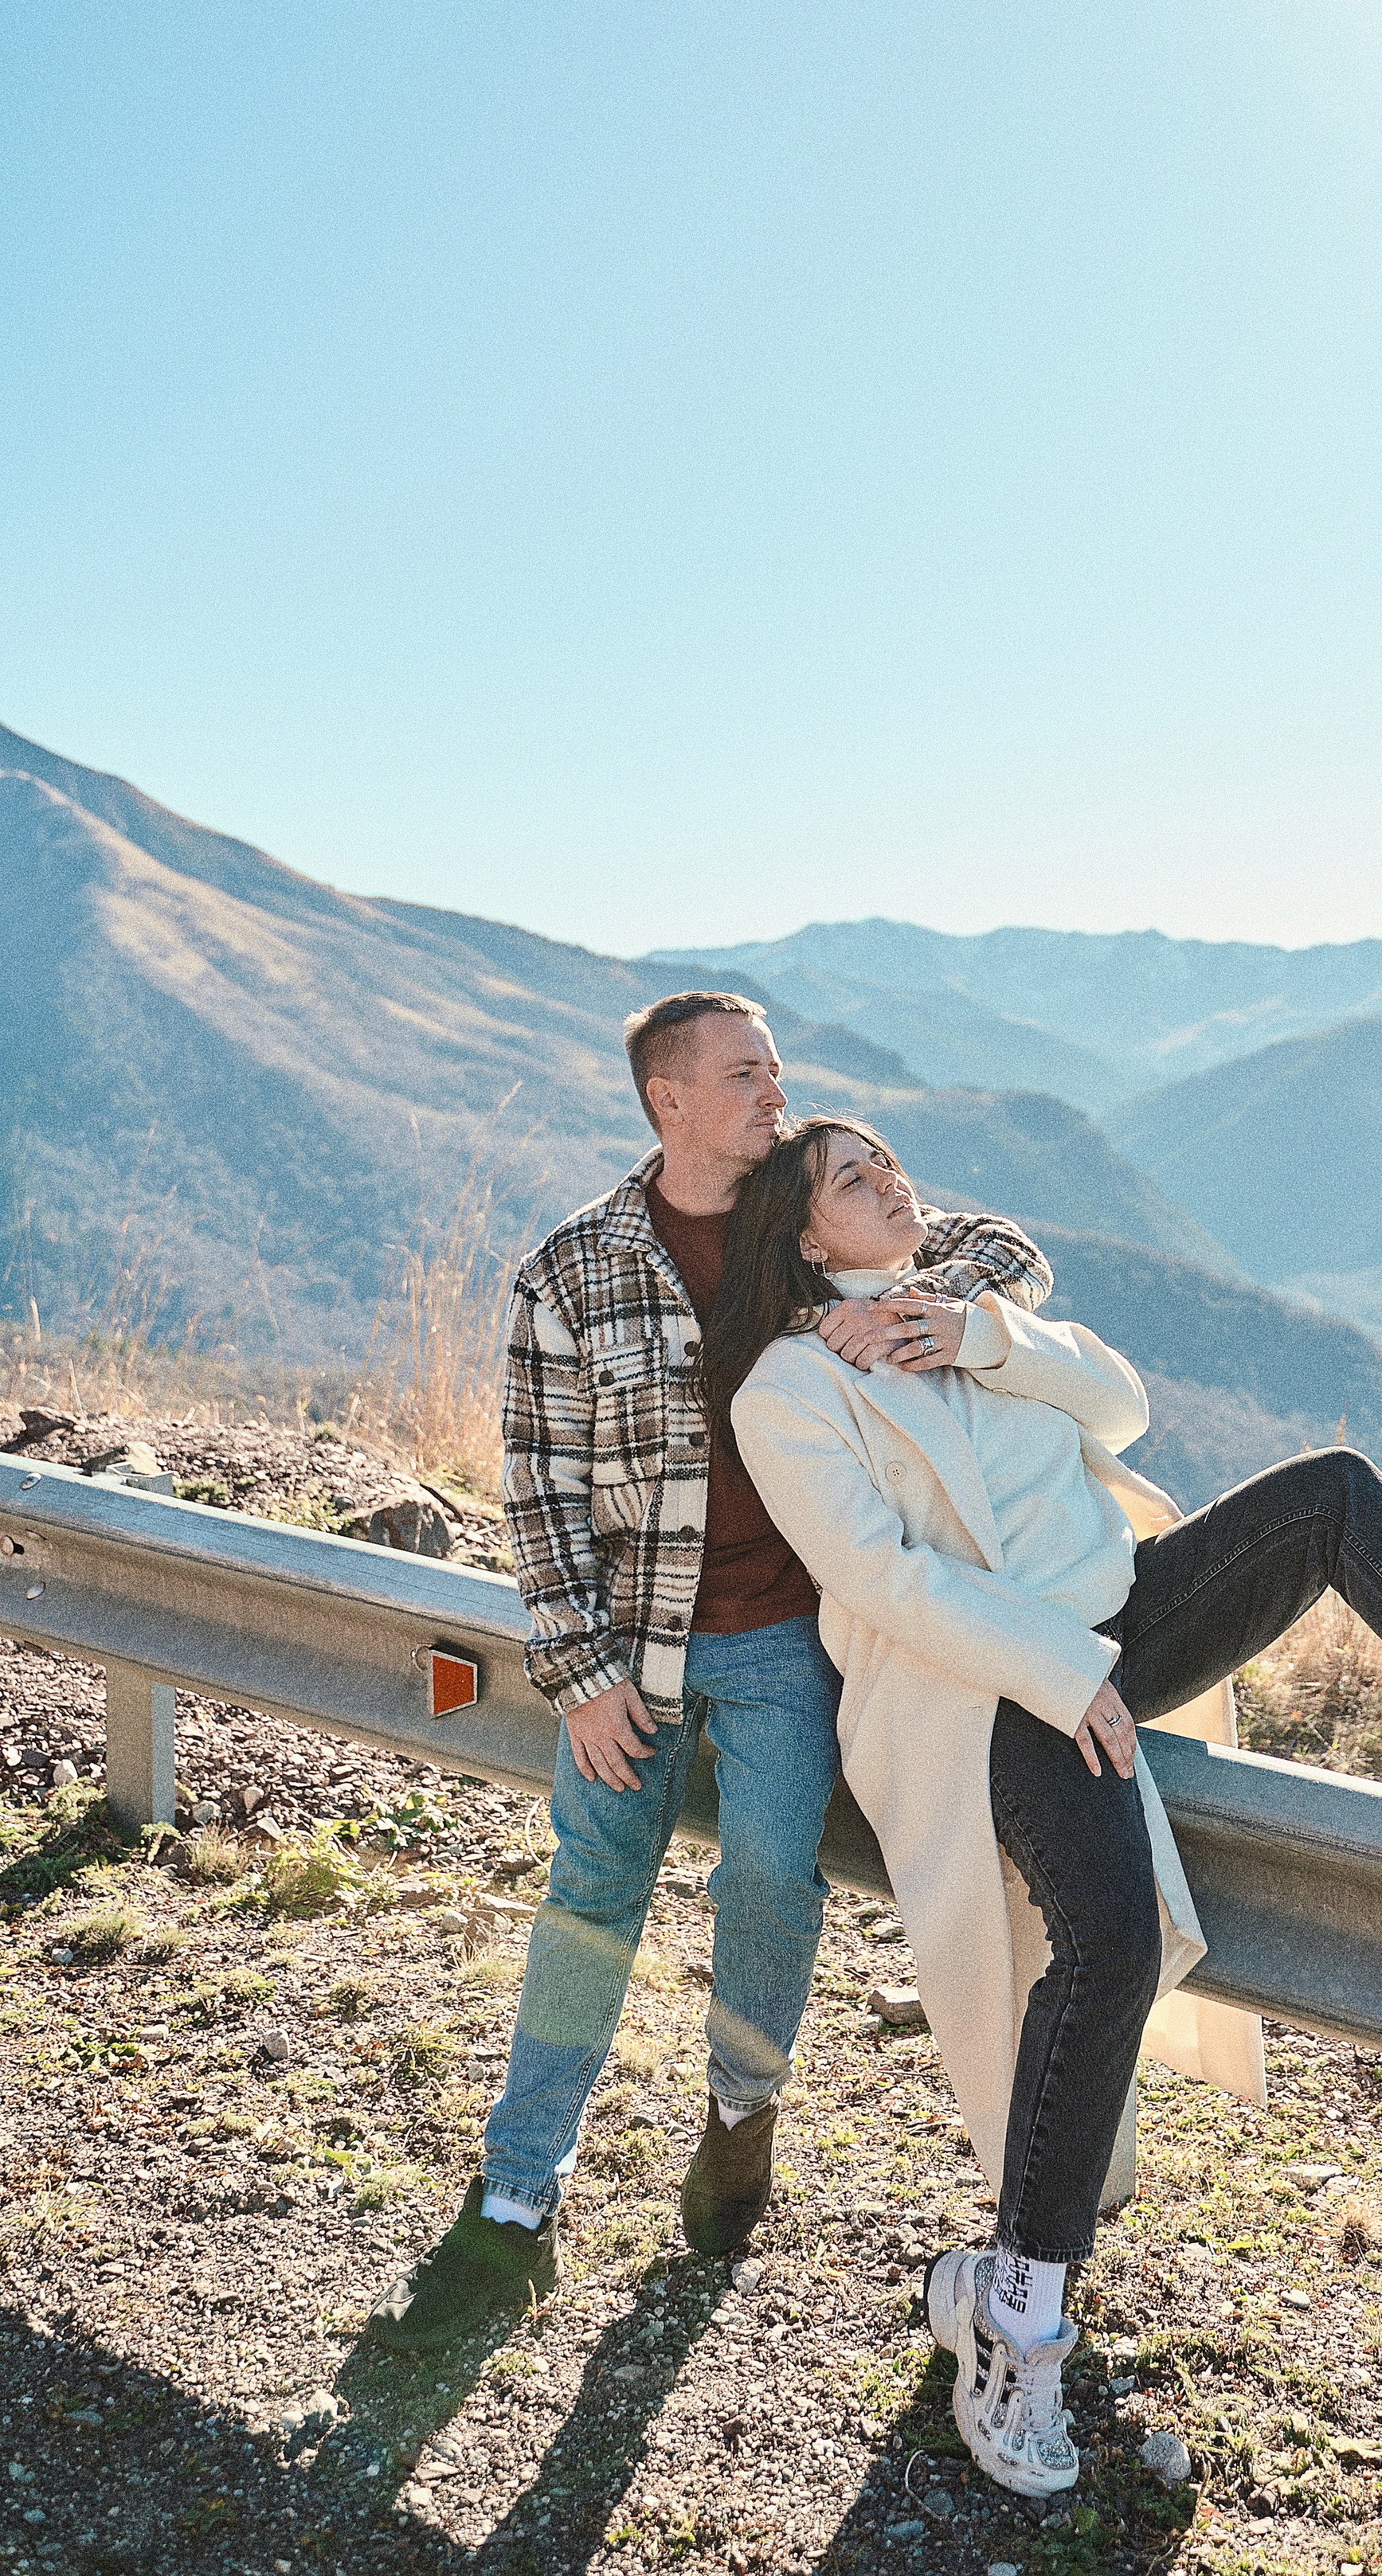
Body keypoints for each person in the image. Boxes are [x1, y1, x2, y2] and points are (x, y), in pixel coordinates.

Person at [709, 1116, 1382, 2497]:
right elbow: (883, 1583)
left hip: (1122, 1615)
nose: (889, 1180)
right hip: (994, 1686)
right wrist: (1061, 1678)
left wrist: (982, 1338)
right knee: (1114, 1944)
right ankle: (1013, 2311)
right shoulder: (787, 1391)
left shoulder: (969, 1305)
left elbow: (1123, 1412)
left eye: (887, 1159)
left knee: (1331, 1498)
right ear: (804, 1236)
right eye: (851, 1178)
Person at [367, 998, 1050, 2353]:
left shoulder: (798, 1225)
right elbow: (540, 1488)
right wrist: (578, 1672)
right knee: (591, 1899)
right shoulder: (573, 1268)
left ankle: (740, 2116)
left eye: (779, 1074)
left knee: (772, 1882)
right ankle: (518, 2184)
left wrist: (925, 1311)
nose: (775, 1099)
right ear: (667, 1099)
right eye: (746, 1077)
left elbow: (1003, 1250)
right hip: (628, 1653)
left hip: (790, 1643)